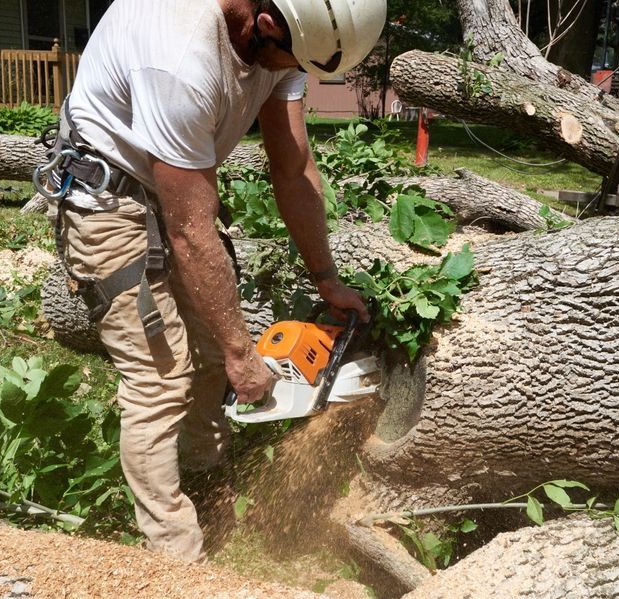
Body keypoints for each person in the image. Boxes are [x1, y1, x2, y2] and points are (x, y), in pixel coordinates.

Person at [41, 0, 385, 562]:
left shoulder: (287, 38)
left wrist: (326, 280)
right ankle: (178, 562)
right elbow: (191, 234)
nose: (289, 73)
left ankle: (206, 488)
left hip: (172, 191)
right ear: (267, 25)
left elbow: (292, 167)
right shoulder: (180, 56)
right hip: (107, 199)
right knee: (160, 378)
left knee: (206, 357)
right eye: (291, 62)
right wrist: (242, 353)